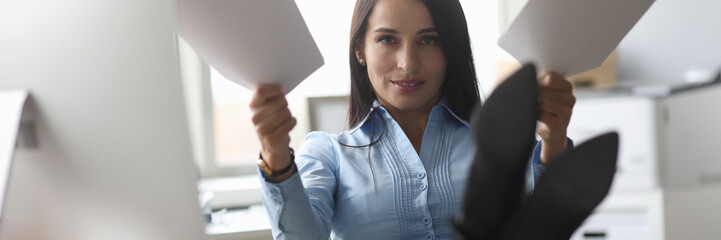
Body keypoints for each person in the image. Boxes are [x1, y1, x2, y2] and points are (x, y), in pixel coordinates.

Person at [249, 0, 575, 239]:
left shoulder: (498, 144)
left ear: (451, 50)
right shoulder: (328, 154)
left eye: (428, 40)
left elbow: (546, 227)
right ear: (360, 49)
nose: (408, 63)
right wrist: (276, 154)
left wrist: (554, 139)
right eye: (387, 39)